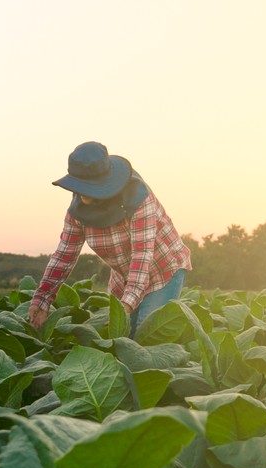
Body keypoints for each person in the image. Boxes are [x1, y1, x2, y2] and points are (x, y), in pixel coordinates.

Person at [29, 142, 192, 333]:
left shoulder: (138, 198)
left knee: (146, 335)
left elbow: (142, 255)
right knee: (123, 338)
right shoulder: (77, 212)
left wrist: (127, 305)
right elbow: (63, 257)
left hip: (162, 269)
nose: (81, 193)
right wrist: (42, 299)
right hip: (125, 276)